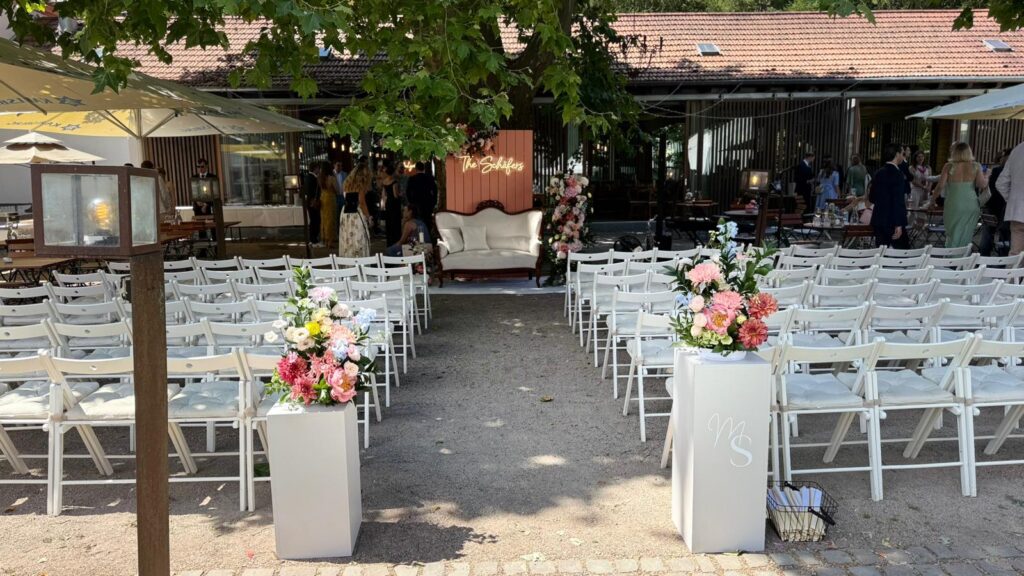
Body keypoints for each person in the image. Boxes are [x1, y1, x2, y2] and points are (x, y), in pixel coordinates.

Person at [932, 141, 986, 249]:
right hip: (971, 203)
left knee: (952, 232)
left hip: (954, 203)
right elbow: (981, 184)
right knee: (967, 232)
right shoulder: (976, 166)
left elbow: (940, 186)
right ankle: (963, 257)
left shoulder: (948, 166)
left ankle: (951, 258)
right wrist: (987, 176)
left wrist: (932, 200)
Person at [868, 143, 910, 249]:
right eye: (902, 153)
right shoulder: (898, 174)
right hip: (893, 220)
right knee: (902, 253)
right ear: (897, 154)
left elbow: (872, 197)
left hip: (879, 219)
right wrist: (899, 224)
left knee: (881, 253)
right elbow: (898, 200)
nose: (903, 156)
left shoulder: (878, 173)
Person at [981, 148, 1012, 256]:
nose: (1001, 158)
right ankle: (1002, 257)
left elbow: (991, 188)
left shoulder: (997, 170)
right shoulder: (1012, 171)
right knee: (1005, 235)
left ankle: (983, 256)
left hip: (994, 206)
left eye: (1003, 156)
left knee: (988, 232)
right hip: (1006, 207)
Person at [339, 160, 372, 258]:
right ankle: (359, 264)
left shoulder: (347, 183)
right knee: (358, 239)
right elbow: (362, 203)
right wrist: (369, 217)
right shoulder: (360, 186)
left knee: (347, 239)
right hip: (356, 214)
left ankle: (348, 263)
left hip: (345, 213)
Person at [997, 141, 1024, 255]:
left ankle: (1012, 273)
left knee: (1015, 255)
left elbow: (1001, 183)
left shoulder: (1017, 150)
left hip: (1017, 213)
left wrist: (1013, 200)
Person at [405, 161, 438, 226]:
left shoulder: (412, 179)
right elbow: (435, 190)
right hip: (427, 202)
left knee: (417, 221)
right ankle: (427, 234)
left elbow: (408, 191)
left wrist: (410, 201)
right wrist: (434, 201)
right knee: (427, 220)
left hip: (416, 202)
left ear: (416, 169)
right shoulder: (429, 178)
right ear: (424, 168)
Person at [379, 160, 403, 246]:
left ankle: (389, 242)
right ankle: (396, 241)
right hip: (394, 204)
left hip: (388, 203)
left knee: (389, 223)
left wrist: (383, 206)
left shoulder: (384, 182)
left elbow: (383, 195)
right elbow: (395, 195)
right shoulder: (394, 182)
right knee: (395, 223)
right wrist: (401, 194)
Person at [318, 161, 339, 249]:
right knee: (331, 219)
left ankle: (325, 239)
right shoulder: (331, 177)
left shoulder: (320, 177)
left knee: (324, 219)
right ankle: (330, 241)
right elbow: (337, 190)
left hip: (322, 198)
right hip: (330, 198)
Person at [302, 161, 321, 246]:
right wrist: (314, 200)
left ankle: (314, 238)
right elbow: (311, 191)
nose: (319, 170)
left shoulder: (308, 177)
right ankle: (313, 238)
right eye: (318, 168)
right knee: (315, 220)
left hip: (310, 201)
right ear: (315, 168)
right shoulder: (312, 178)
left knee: (314, 220)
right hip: (312, 202)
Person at [334, 161, 348, 231]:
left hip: (342, 196)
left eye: (340, 166)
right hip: (335, 196)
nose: (339, 167)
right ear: (334, 166)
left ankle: (343, 228)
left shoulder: (344, 174)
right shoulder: (332, 174)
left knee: (343, 213)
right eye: (338, 165)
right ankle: (337, 230)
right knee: (336, 214)